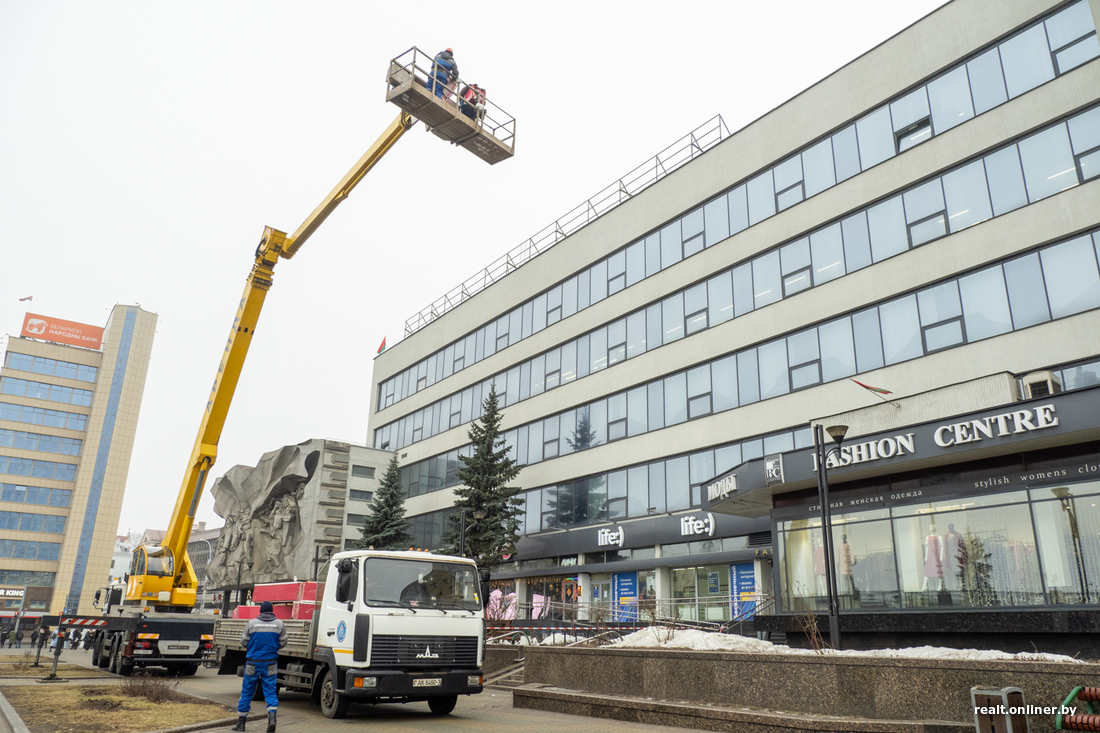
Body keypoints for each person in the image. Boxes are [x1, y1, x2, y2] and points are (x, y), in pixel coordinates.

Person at [234, 601, 287, 733]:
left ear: (261, 611)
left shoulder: (252, 623)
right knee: (270, 691)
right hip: (270, 662)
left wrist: (253, 647)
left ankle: (241, 724)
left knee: (247, 692)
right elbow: (284, 642)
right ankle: (272, 720)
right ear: (272, 611)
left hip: (252, 661)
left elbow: (243, 641)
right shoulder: (279, 624)